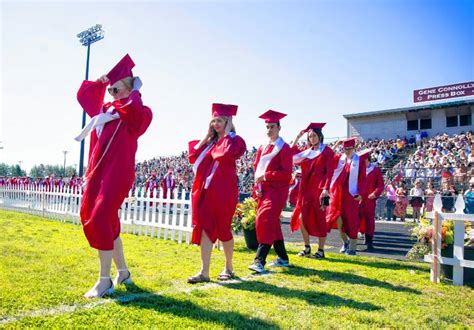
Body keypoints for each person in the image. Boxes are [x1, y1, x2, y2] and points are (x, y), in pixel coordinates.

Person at [75, 54, 153, 298]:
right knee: (108, 222)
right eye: (109, 90)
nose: (112, 93)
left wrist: (135, 93)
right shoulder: (105, 112)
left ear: (130, 87)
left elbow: (135, 113)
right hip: (98, 172)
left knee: (100, 217)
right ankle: (124, 272)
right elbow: (83, 96)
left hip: (118, 173)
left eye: (116, 88)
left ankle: (104, 280)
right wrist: (100, 83)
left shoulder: (141, 112)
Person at [187, 103, 246, 283]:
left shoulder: (236, 140)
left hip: (224, 192)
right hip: (206, 191)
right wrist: (207, 136)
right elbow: (193, 157)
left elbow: (224, 154)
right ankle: (204, 272)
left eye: (219, 120)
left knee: (223, 229)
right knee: (205, 228)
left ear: (228, 121)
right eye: (213, 121)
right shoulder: (210, 143)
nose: (215, 124)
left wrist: (227, 133)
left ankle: (228, 267)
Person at [248, 110, 292, 273]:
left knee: (265, 220)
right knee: (273, 225)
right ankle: (283, 258)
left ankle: (260, 260)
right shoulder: (262, 147)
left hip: (277, 191)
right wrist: (257, 188)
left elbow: (287, 174)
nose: (269, 130)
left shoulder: (284, 148)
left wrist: (266, 176)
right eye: (267, 127)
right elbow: (256, 169)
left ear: (279, 128)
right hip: (264, 191)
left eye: (272, 126)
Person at [289, 123, 334, 258]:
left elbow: (329, 172)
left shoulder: (327, 151)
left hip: (319, 190)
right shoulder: (307, 152)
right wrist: (298, 137)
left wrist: (326, 188)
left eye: (314, 136)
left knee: (320, 219)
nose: (312, 138)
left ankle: (321, 250)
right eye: (309, 137)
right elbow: (292, 154)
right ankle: (307, 247)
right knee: (302, 217)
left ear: (319, 136)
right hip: (305, 189)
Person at [326, 137, 366, 256]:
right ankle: (345, 241)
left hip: (351, 196)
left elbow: (362, 179)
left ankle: (352, 247)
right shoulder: (339, 158)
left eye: (349, 148)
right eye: (345, 149)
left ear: (354, 148)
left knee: (351, 220)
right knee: (338, 220)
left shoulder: (360, 161)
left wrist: (361, 193)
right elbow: (326, 158)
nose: (347, 151)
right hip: (337, 194)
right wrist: (336, 145)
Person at [358, 149, 384, 251]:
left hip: (369, 199)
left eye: (363, 161)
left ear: (367, 159)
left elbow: (380, 185)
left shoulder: (376, 170)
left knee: (369, 220)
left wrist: (375, 193)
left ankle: (369, 241)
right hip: (358, 199)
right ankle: (354, 239)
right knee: (356, 219)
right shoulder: (358, 171)